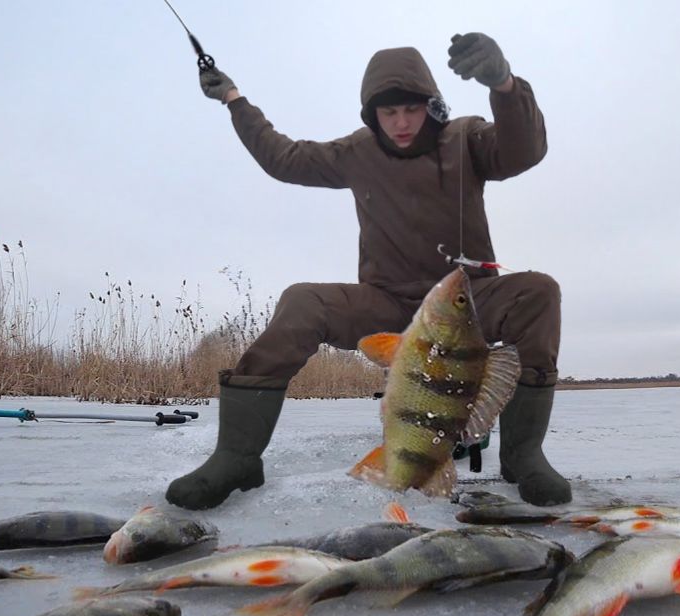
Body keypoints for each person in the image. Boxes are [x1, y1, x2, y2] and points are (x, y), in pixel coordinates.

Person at [166, 33, 571, 510]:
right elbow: (283, 158)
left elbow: (523, 151)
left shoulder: (466, 138)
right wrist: (234, 99)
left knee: (538, 292)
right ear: (371, 114)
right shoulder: (357, 152)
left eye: (411, 109)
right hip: (387, 301)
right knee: (302, 301)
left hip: (465, 304)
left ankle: (524, 456)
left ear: (431, 105)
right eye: (388, 112)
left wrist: (504, 85)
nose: (401, 123)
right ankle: (236, 457)